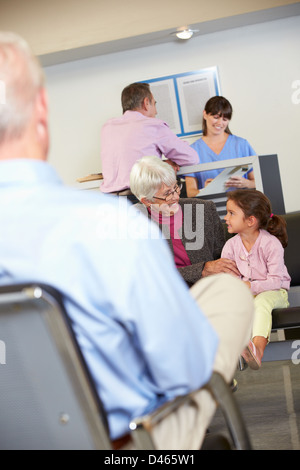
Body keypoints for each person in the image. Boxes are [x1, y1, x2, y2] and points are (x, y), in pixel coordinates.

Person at [0, 31, 254, 450]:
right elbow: (183, 370)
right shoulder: (115, 228)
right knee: (227, 296)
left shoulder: (135, 216)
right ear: (41, 110)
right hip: (127, 443)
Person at [130, 155, 241, 286]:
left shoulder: (204, 209)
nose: (176, 197)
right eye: (167, 194)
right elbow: (148, 276)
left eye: (176, 187)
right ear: (147, 201)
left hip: (212, 288)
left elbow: (222, 255)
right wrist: (200, 270)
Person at [222, 189, 291, 370]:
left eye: (231, 213)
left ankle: (257, 350)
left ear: (250, 221)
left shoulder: (271, 244)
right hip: (247, 295)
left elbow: (276, 281)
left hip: (275, 293)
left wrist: (248, 286)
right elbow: (231, 278)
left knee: (261, 302)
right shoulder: (230, 246)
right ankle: (233, 351)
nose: (225, 218)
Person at [100, 82, 199, 200]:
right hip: (142, 199)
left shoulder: (108, 127)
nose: (156, 111)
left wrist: (159, 165)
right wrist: (164, 166)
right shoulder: (152, 125)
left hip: (110, 201)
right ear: (146, 103)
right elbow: (191, 158)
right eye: (154, 104)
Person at [185, 96, 256, 197]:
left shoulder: (241, 145)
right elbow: (191, 193)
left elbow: (260, 182)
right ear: (205, 114)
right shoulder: (192, 150)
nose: (220, 123)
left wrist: (246, 183)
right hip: (209, 208)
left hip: (241, 206)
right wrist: (206, 190)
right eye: (216, 117)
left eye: (225, 119)